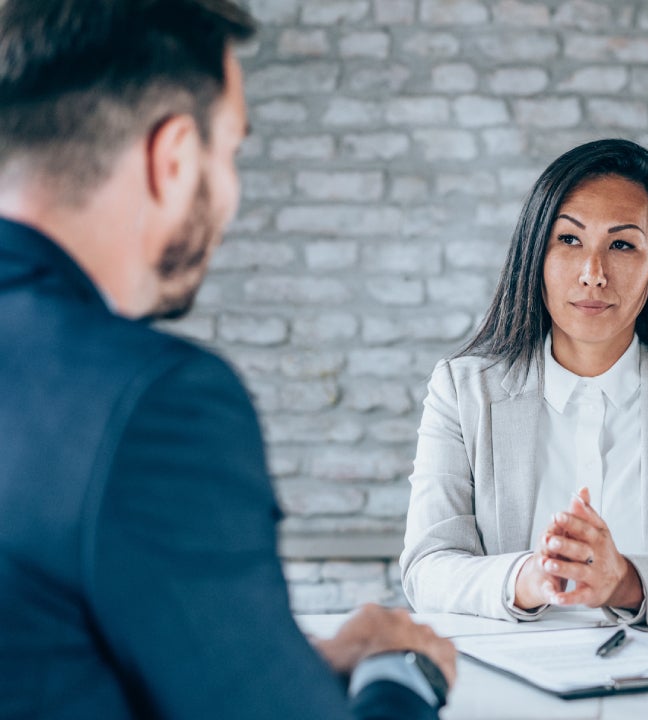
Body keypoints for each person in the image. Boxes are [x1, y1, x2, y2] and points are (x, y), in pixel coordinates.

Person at [0, 1, 454, 718]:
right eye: (232, 152)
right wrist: (403, 674)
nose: (233, 193)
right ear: (173, 158)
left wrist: (284, 663)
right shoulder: (152, 404)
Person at [401, 138, 648, 625]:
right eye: (569, 240)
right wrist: (531, 577)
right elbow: (427, 567)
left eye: (622, 245)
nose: (593, 274)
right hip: (516, 676)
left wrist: (624, 581)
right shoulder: (462, 390)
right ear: (535, 255)